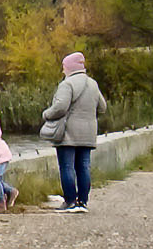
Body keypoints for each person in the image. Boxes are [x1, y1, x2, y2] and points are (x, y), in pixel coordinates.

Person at [42, 52, 107, 213]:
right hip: (88, 133)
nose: (63, 71)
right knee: (84, 166)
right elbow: (102, 107)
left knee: (67, 166)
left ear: (69, 68)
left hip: (68, 133)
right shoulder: (93, 84)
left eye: (64, 67)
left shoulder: (67, 84)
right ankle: (82, 202)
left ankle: (70, 201)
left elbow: (60, 107)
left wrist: (46, 114)